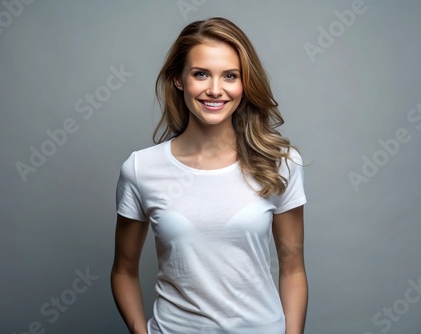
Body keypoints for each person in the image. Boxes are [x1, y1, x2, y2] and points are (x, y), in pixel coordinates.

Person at [111, 17, 308, 334]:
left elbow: (293, 267)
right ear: (179, 79)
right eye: (201, 74)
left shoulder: (280, 164)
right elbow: (124, 269)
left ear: (245, 84)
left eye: (230, 76)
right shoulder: (141, 169)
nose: (215, 90)